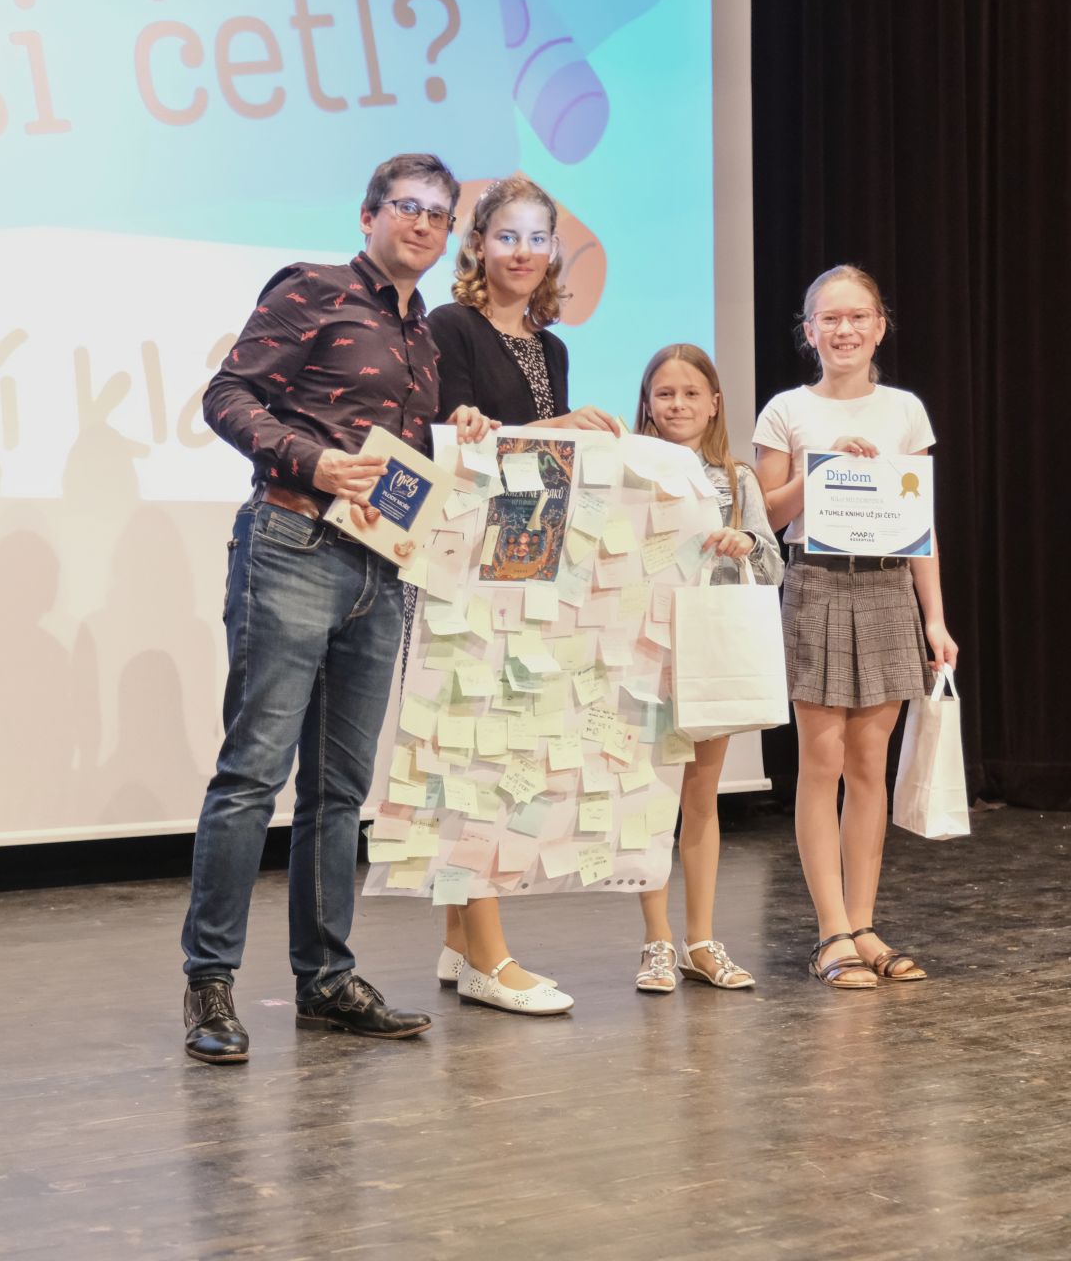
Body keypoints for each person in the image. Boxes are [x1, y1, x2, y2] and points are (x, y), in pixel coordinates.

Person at [180, 154, 493, 1063]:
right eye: (407, 206)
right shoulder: (314, 289)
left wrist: (458, 431)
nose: (423, 224)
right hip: (292, 544)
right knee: (252, 776)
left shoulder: (425, 336)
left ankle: (325, 981)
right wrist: (309, 460)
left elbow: (403, 454)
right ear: (368, 215)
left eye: (438, 214)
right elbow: (226, 395)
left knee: (340, 792)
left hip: (380, 570)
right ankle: (210, 983)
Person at [421, 174, 623, 1015]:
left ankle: (457, 939)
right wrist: (553, 429)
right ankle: (489, 959)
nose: (524, 252)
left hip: (530, 560)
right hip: (467, 565)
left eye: (539, 238)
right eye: (507, 236)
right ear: (476, 244)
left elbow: (548, 468)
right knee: (476, 755)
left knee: (505, 752)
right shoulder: (449, 327)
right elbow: (446, 446)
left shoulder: (552, 347)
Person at [751, 265, 960, 990]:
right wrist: (821, 471)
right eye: (830, 319)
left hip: (886, 586)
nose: (844, 330)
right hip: (815, 583)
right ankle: (830, 931)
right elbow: (765, 516)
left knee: (871, 765)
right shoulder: (786, 410)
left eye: (858, 317)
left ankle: (864, 925)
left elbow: (920, 523)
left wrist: (935, 618)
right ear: (809, 331)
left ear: (880, 326)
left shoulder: (905, 411)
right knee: (822, 762)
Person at [631, 344, 784, 993]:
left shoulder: (737, 478)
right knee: (649, 801)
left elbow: (773, 565)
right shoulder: (630, 470)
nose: (678, 405)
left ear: (715, 403)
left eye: (691, 393)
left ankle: (700, 940)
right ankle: (657, 941)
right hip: (646, 653)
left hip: (711, 649)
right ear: (647, 403)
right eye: (665, 394)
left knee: (701, 797)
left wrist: (744, 542)